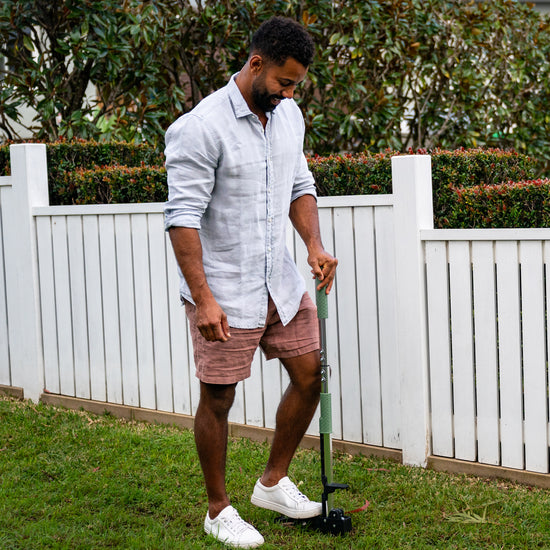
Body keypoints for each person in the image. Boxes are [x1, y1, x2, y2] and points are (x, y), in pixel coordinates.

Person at [164, 16, 337, 549]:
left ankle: (273, 481)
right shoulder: (201, 126)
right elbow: (183, 217)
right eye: (283, 83)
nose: (288, 95)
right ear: (255, 64)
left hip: (278, 280)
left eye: (295, 87)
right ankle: (219, 510)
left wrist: (312, 243)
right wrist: (205, 299)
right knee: (218, 397)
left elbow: (299, 184)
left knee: (311, 375)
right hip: (224, 288)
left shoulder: (288, 116)